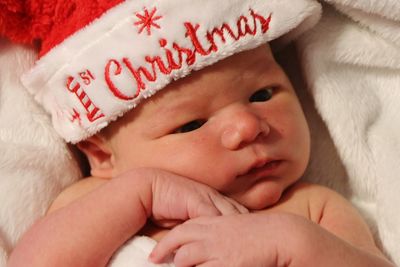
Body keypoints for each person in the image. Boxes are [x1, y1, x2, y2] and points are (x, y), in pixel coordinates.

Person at [4, 0, 395, 266]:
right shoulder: (98, 203)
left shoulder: (311, 209)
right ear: (104, 156)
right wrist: (141, 193)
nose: (247, 126)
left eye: (262, 94)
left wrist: (295, 243)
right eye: (191, 124)